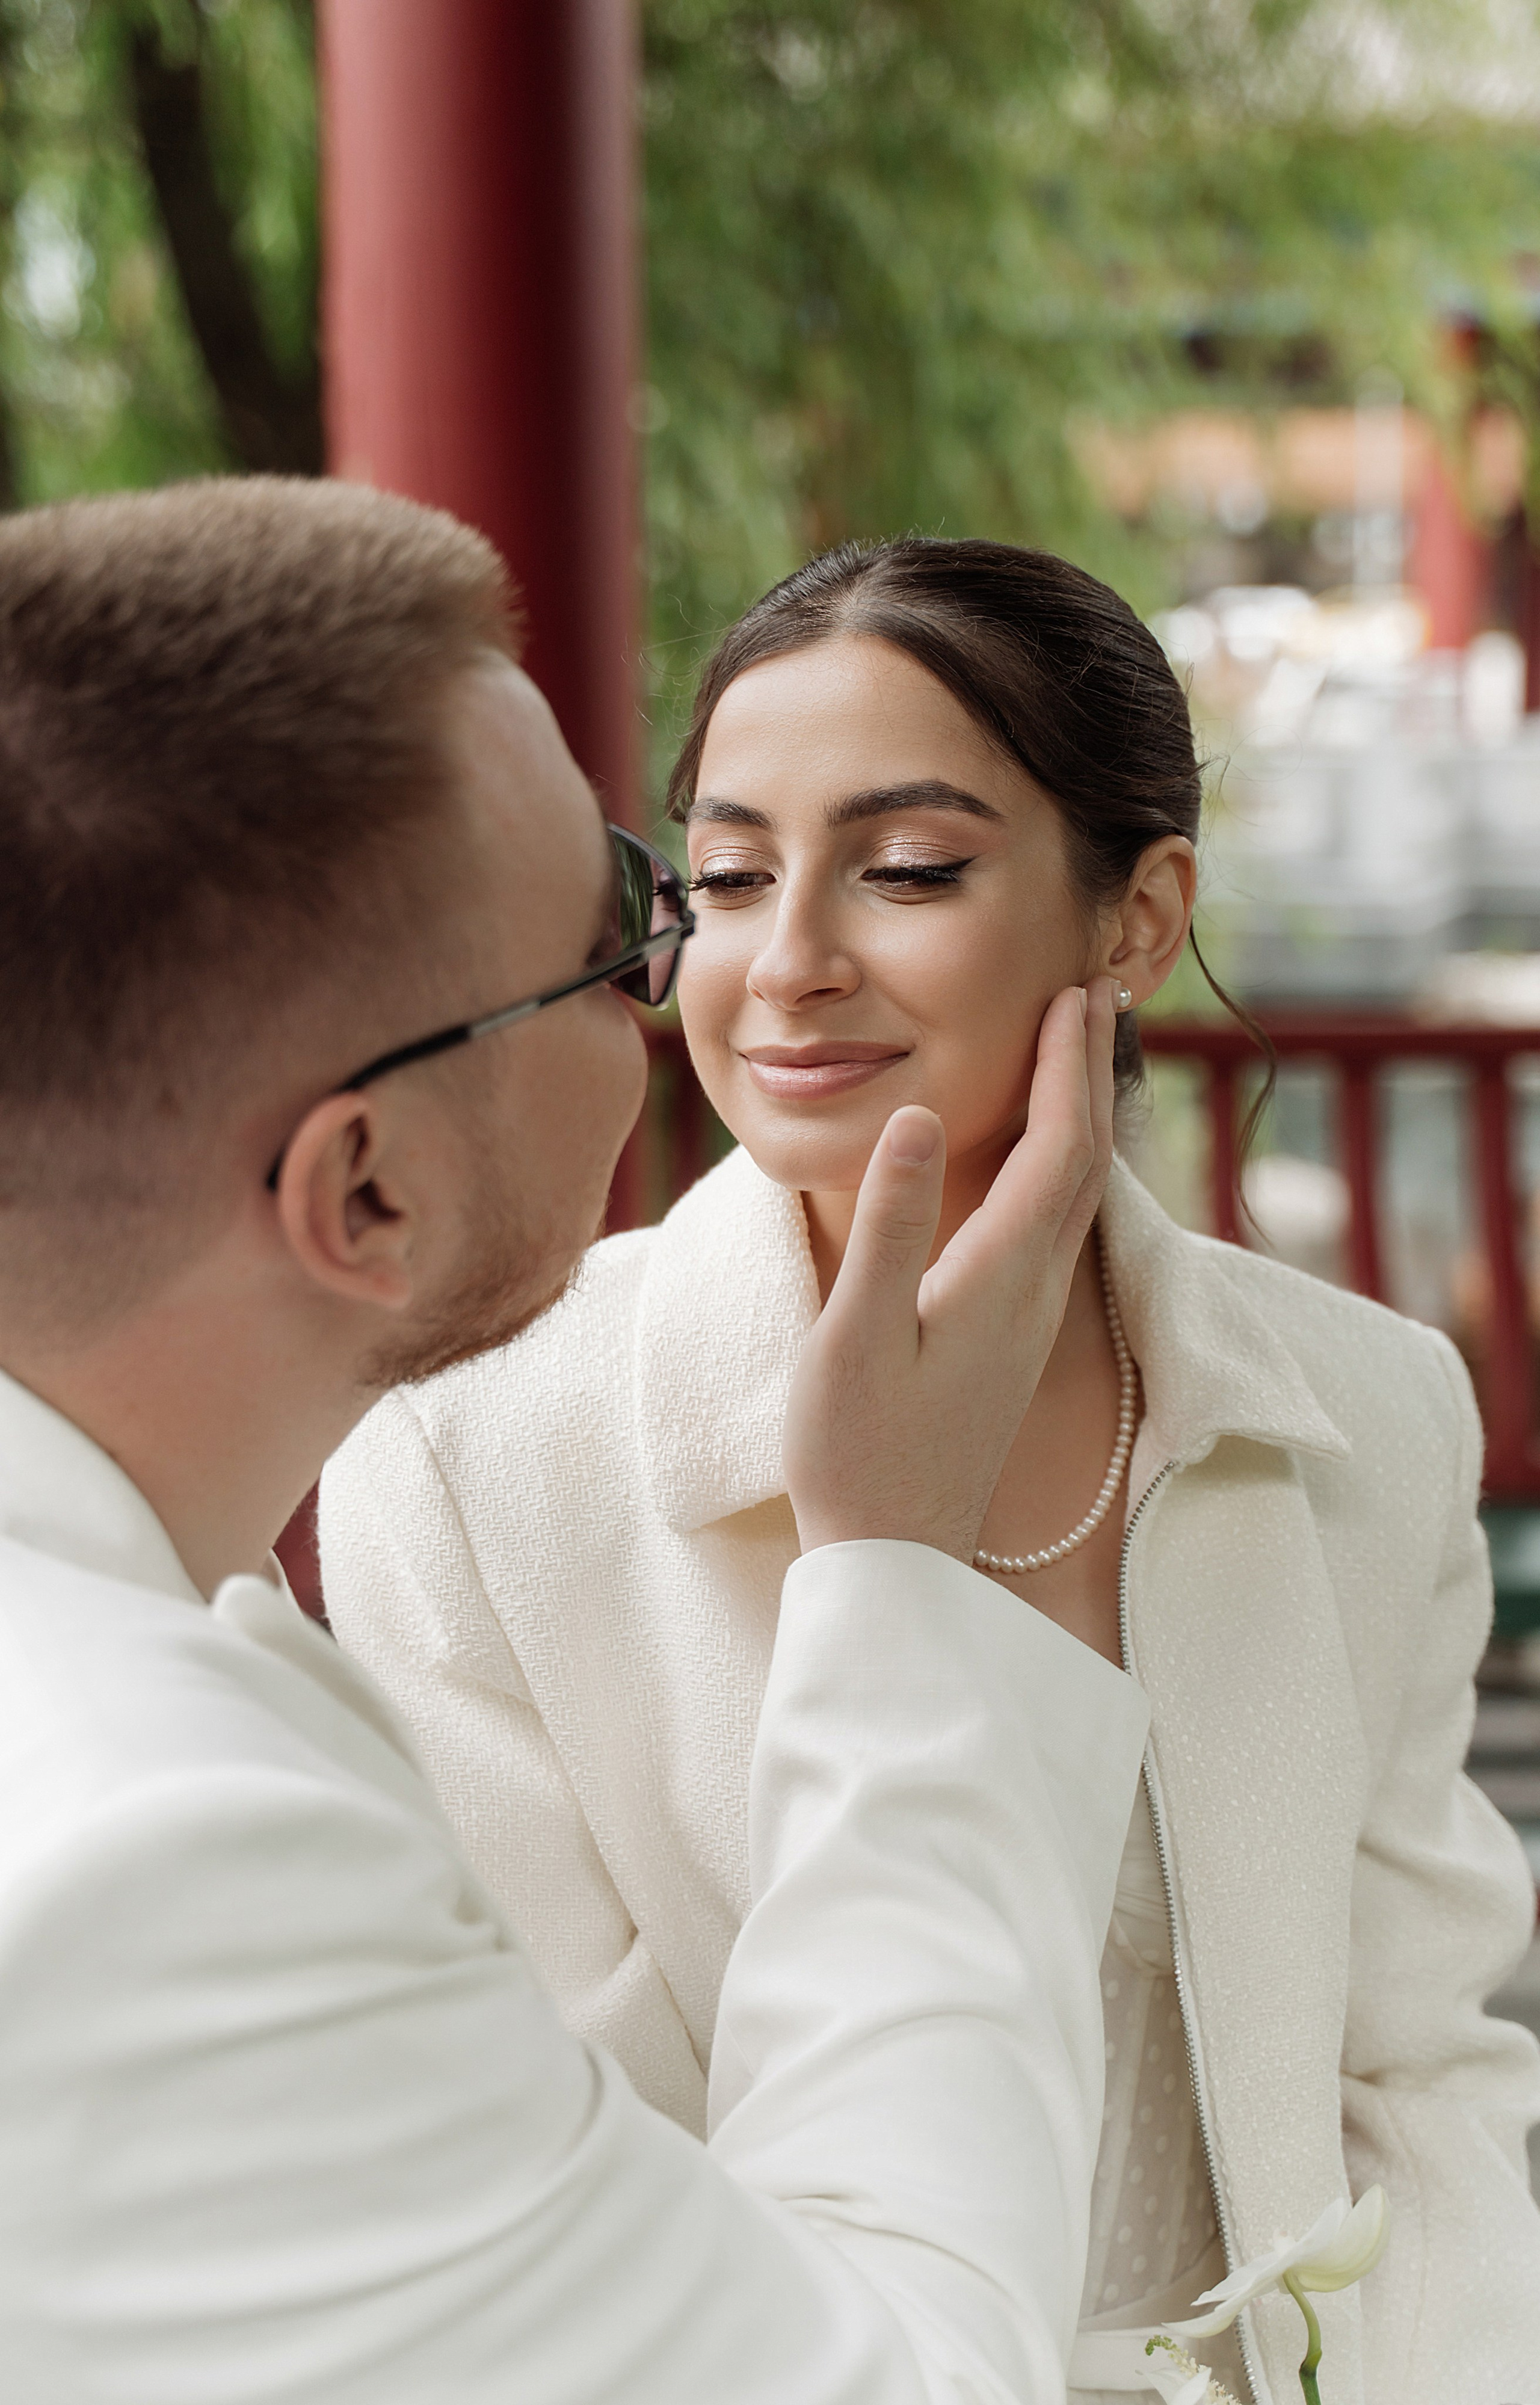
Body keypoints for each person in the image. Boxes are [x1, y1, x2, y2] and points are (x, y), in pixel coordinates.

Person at [324, 535, 1540, 2405]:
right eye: (727, 878)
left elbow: (1427, 2080)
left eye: (905, 871)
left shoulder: (1372, 1416)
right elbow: (561, 2175)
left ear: (1135, 922)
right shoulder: (471, 1457)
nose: (787, 963)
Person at [0, 484, 1155, 2404]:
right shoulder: (165, 1876)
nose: (737, 979)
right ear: (364, 1191)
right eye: (633, 922)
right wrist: (889, 1579)